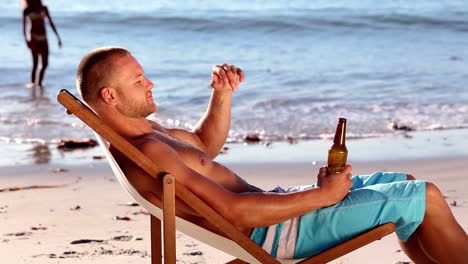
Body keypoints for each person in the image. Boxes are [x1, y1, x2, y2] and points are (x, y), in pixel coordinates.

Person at [76, 46, 468, 263]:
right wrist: (323, 196)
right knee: (426, 196)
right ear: (110, 96)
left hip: (276, 212)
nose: (151, 84)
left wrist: (221, 95)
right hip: (277, 232)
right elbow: (233, 212)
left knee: (408, 187)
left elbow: (203, 148)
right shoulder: (148, 151)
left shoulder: (148, 136)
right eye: (138, 80)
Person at [22, 0, 62, 87]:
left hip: (44, 38)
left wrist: (58, 37)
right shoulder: (27, 10)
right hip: (33, 39)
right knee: (35, 63)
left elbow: (50, 23)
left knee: (45, 63)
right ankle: (33, 83)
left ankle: (39, 83)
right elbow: (24, 27)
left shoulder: (44, 8)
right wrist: (26, 40)